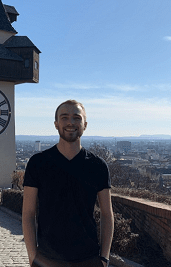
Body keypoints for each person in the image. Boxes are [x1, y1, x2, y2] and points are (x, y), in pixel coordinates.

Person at [23, 100, 114, 267]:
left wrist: (104, 258)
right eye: (64, 117)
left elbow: (107, 214)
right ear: (56, 124)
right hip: (46, 259)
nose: (71, 122)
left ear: (85, 125)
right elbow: (28, 213)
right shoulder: (38, 163)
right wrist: (32, 255)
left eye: (76, 118)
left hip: (88, 259)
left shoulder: (98, 166)